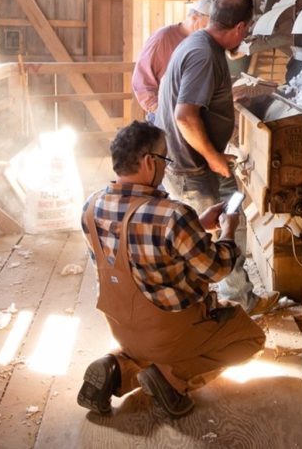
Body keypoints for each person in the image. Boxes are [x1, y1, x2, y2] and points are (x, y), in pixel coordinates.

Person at [77, 122, 265, 418]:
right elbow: (218, 270)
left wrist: (197, 226)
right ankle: (171, 377)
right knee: (250, 338)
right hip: (170, 331)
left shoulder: (91, 206)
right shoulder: (173, 215)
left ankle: (115, 368)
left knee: (147, 346)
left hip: (121, 328)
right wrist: (227, 232)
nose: (165, 168)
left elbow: (134, 250)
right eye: (164, 160)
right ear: (150, 162)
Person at [156, 0, 280, 315]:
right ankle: (231, 309)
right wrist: (212, 157)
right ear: (240, 26)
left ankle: (241, 297)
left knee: (230, 212)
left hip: (196, 161)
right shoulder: (203, 55)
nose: (246, 35)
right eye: (247, 29)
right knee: (208, 239)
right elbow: (185, 116)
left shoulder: (200, 43)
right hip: (190, 165)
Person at [131, 0, 213, 123]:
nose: (210, 30)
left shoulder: (202, 41)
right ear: (195, 18)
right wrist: (159, 109)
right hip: (165, 115)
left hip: (190, 113)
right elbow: (142, 79)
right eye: (207, 25)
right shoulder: (162, 38)